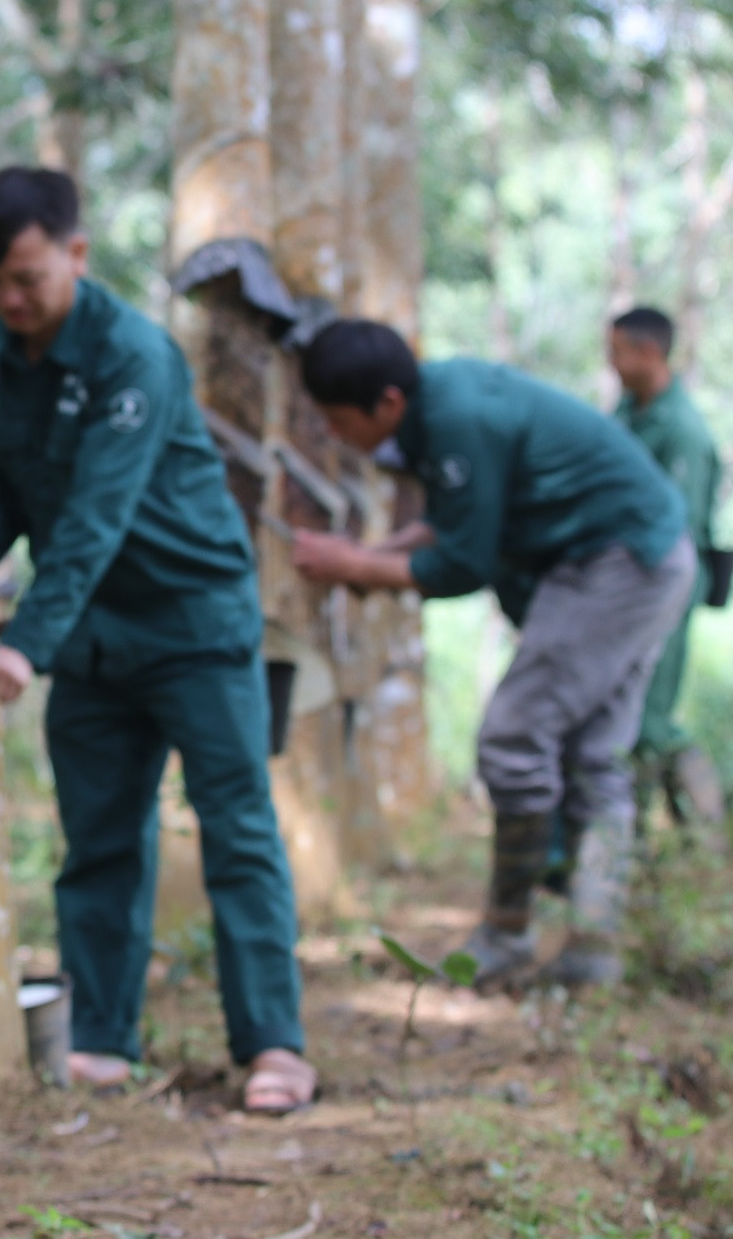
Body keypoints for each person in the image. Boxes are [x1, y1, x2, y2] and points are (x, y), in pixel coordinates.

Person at [0, 167, 314, 1113]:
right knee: (99, 843)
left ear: (76, 254)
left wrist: (23, 641)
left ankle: (275, 1046)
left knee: (237, 830)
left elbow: (92, 518)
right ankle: (100, 1040)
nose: (11, 298)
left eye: (29, 277)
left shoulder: (135, 356)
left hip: (195, 627)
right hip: (92, 643)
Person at [291, 320, 692, 989]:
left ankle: (508, 931)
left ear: (386, 402)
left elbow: (462, 562)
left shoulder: (457, 418)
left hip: (618, 561)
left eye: (337, 420)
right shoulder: (437, 405)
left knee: (514, 735)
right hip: (642, 555)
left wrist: (355, 559)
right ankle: (594, 946)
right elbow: (458, 521)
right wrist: (371, 560)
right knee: (594, 752)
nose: (334, 436)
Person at [607, 306, 724, 829]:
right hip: (625, 584)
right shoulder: (630, 410)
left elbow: (681, 529)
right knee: (625, 709)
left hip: (666, 586)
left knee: (650, 719)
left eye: (617, 352)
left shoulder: (682, 432)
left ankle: (692, 832)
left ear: (648, 352)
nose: (610, 363)